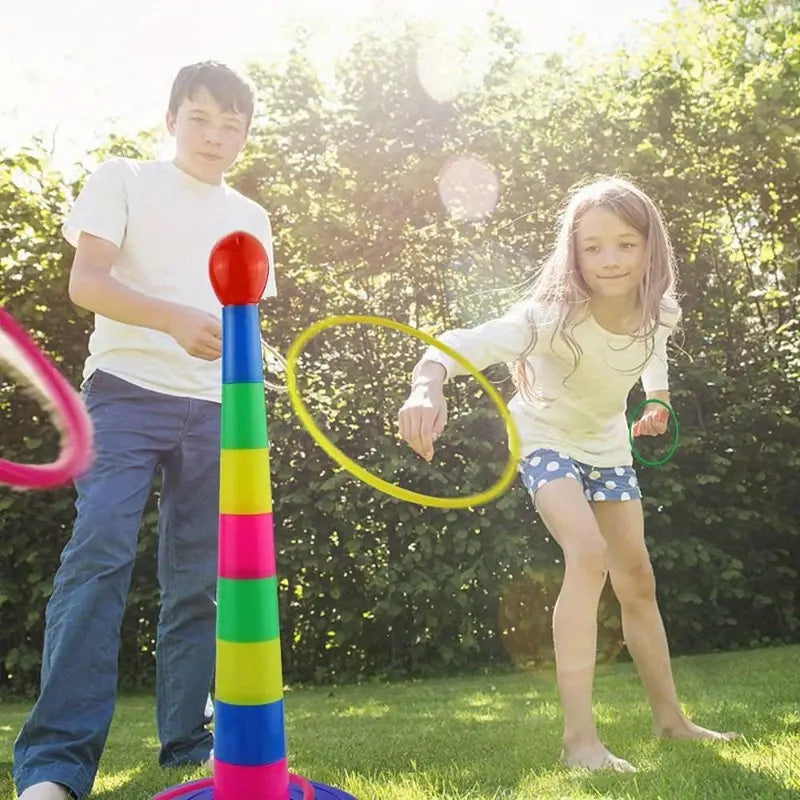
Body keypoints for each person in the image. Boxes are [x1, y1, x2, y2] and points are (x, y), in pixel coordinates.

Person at [398, 176, 738, 772]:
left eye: (626, 244)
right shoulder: (549, 317)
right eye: (594, 246)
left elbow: (651, 348)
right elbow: (464, 342)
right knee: (587, 555)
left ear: (650, 248)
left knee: (637, 579)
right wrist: (427, 386)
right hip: (545, 439)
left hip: (609, 447)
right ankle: (580, 741)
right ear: (573, 254)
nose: (610, 259)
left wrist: (656, 399)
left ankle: (672, 721)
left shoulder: (660, 310)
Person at [14, 61, 276, 800]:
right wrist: (171, 318)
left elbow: (244, 324)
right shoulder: (123, 178)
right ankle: (55, 767)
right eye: (200, 118)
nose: (216, 136)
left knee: (199, 581)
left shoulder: (252, 219)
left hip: (219, 412)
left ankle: (188, 745)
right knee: (98, 552)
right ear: (170, 120)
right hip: (125, 396)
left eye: (233, 125)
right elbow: (86, 283)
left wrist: (259, 364)